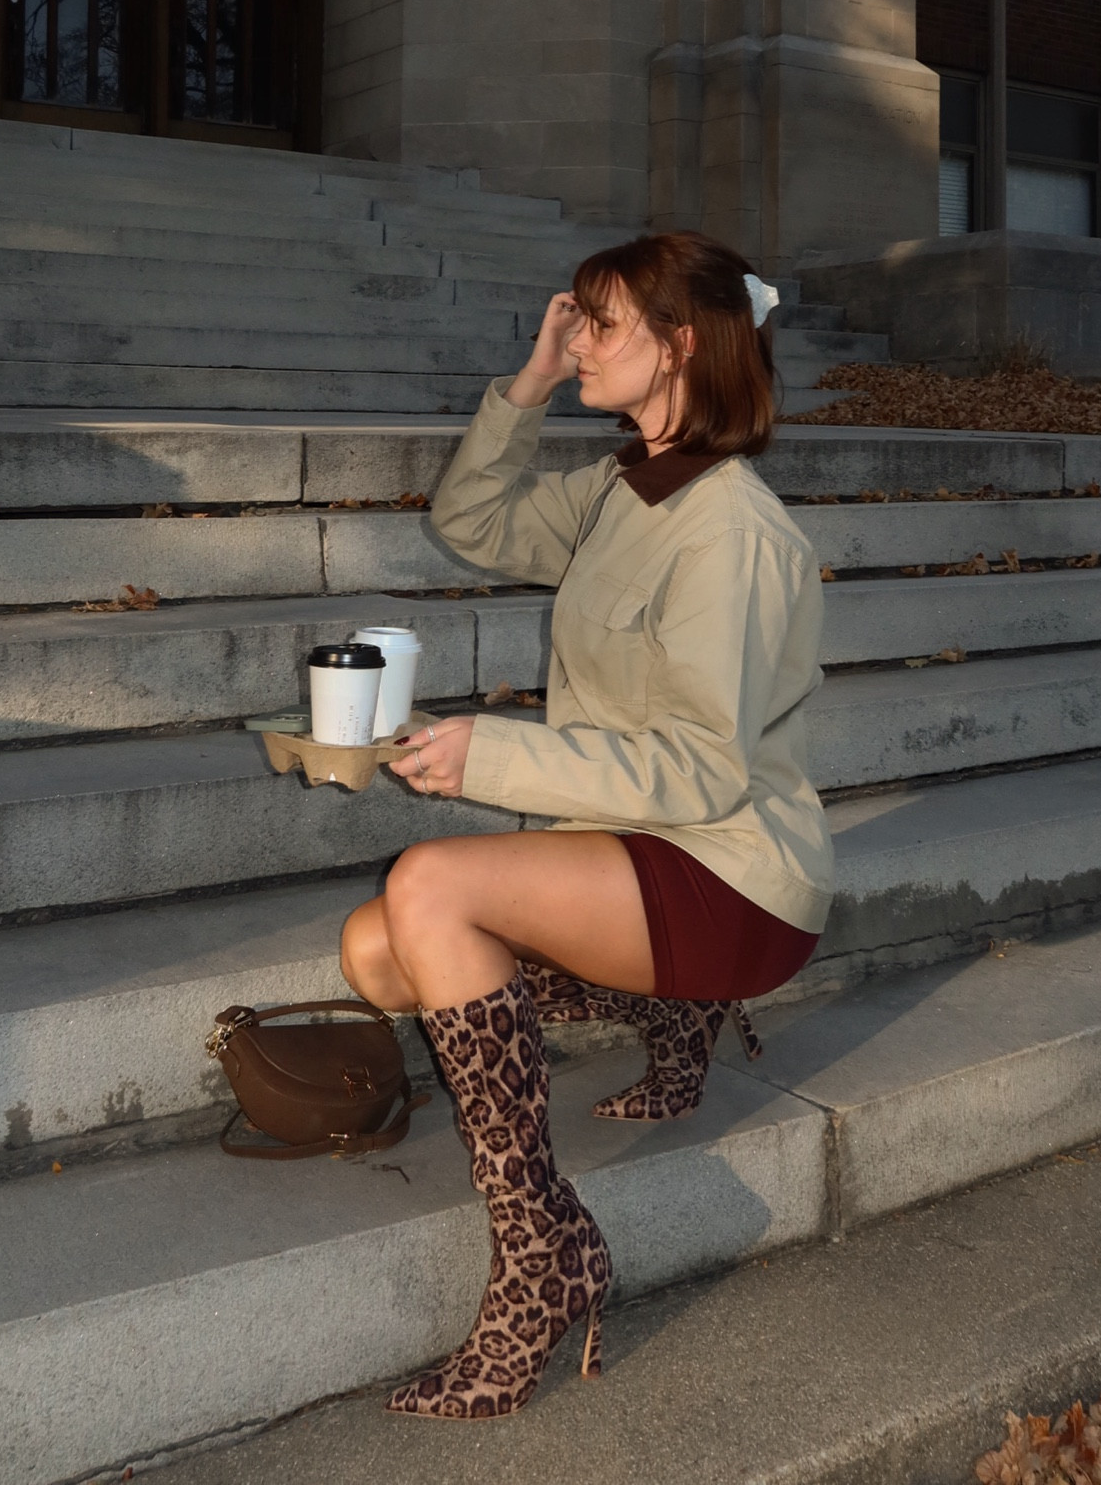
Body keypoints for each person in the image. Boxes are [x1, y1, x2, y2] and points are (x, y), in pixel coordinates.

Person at [339, 229, 831, 1419]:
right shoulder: (627, 487)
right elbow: (471, 520)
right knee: (374, 953)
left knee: (430, 887)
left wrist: (490, 751)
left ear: (682, 345)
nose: (582, 342)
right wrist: (529, 380)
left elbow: (704, 770)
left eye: (603, 324)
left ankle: (541, 1251)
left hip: (732, 870)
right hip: (631, 843)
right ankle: (671, 1011)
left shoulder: (732, 531)